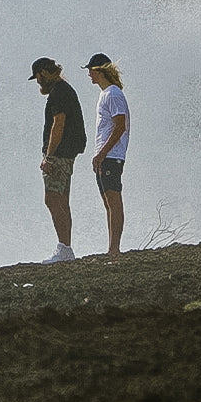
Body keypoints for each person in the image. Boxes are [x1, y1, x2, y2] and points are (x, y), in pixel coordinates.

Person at [28, 57, 87, 263]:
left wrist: (49, 157)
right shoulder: (65, 90)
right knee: (62, 200)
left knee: (52, 199)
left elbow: (58, 125)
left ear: (43, 73)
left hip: (59, 154)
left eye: (37, 77)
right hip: (67, 153)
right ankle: (66, 248)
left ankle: (64, 249)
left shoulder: (59, 93)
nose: (38, 83)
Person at [83, 52, 130, 257]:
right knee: (108, 202)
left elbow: (120, 126)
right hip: (105, 156)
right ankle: (112, 248)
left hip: (111, 156)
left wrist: (102, 153)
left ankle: (114, 249)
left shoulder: (113, 94)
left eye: (91, 71)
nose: (89, 75)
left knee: (113, 200)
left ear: (99, 71)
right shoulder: (106, 94)